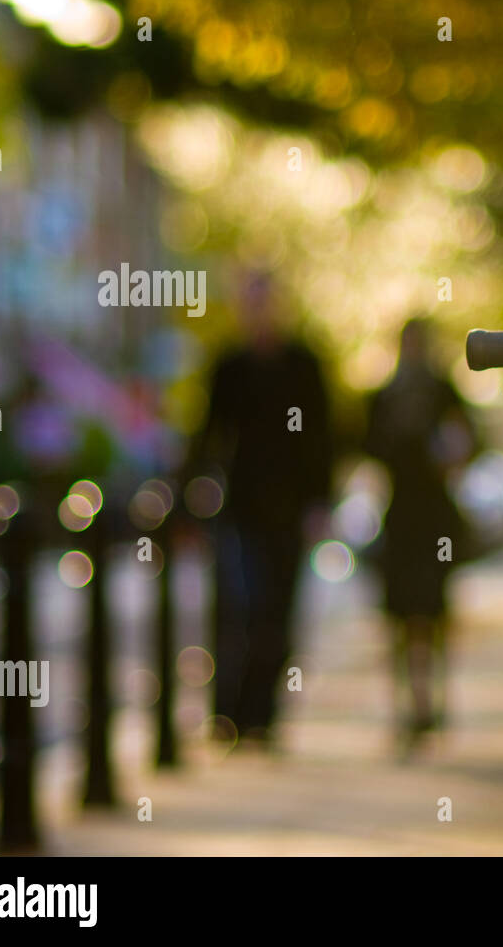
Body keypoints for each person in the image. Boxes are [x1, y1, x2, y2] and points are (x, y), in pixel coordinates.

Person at [186, 272, 333, 745]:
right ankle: (227, 713)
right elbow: (208, 434)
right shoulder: (229, 367)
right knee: (237, 610)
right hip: (240, 511)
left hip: (288, 513)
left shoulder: (304, 366)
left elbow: (322, 438)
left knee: (276, 616)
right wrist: (188, 495)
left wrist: (318, 502)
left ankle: (262, 718)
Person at [365, 318, 475, 756]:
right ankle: (407, 708)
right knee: (400, 619)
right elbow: (368, 448)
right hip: (402, 519)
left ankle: (432, 704)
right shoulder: (384, 399)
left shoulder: (443, 394)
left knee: (433, 615)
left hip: (434, 521)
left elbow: (467, 442)